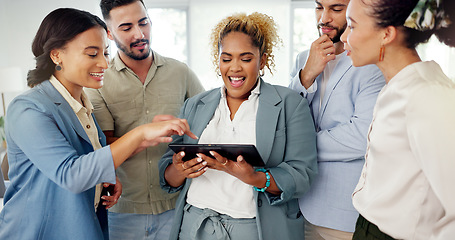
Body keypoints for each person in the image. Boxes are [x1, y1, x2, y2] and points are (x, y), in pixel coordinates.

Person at [0, 8, 196, 239]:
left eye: (105, 52)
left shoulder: (82, 107)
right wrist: (141, 133)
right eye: (92, 54)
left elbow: (89, 161)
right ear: (56, 56)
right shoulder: (28, 109)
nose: (104, 63)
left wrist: (105, 179)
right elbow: (70, 174)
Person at [159, 12, 318, 240]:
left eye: (245, 59)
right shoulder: (195, 105)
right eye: (226, 59)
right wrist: (179, 170)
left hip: (253, 229)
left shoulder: (289, 104)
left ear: (262, 60)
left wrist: (254, 177)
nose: (234, 68)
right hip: (194, 226)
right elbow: (167, 174)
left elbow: (303, 175)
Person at [85, 0, 205, 239]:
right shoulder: (99, 81)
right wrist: (148, 132)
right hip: (122, 212)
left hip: (179, 206)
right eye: (127, 27)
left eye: (143, 23)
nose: (140, 34)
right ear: (109, 33)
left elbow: (210, 124)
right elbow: (103, 147)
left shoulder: (180, 72)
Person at [340, 0, 455, 239]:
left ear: (386, 34)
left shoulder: (427, 97)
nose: (343, 37)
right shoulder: (398, 87)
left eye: (352, 26)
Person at [288, 0, 384, 239]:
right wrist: (307, 75)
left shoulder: (372, 63)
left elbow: (362, 137)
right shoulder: (304, 59)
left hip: (347, 214)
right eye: (319, 7)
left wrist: (298, 145)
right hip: (301, 206)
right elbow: (284, 120)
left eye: (336, 9)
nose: (324, 18)